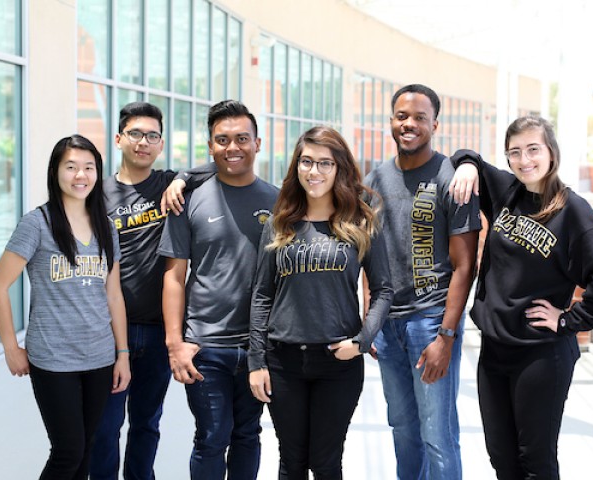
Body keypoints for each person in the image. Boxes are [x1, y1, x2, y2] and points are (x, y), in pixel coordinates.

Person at [449, 115, 593, 479]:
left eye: (533, 149)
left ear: (551, 152)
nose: (524, 159)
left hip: (541, 353)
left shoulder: (573, 211)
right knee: (502, 458)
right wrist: (468, 164)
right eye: (514, 152)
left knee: (536, 462)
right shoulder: (508, 190)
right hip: (495, 349)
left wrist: (567, 320)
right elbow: (466, 157)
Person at [248, 126, 393, 479]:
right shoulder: (280, 222)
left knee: (326, 464)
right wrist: (256, 360)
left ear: (340, 168)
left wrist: (361, 342)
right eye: (307, 162)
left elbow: (384, 290)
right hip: (283, 362)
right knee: (291, 462)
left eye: (325, 163)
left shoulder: (360, 221)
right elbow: (262, 293)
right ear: (296, 166)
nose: (314, 172)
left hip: (337, 363)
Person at [0, 134, 131, 480]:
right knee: (68, 451)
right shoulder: (37, 224)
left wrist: (122, 353)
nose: (80, 175)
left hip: (99, 357)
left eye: (88, 167)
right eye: (71, 167)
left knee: (87, 448)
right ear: (55, 172)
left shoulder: (106, 227)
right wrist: (10, 348)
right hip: (53, 358)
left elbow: (113, 295)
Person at [90, 102, 215, 480]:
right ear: (119, 139)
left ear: (160, 144)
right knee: (105, 429)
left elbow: (223, 165)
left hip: (159, 329)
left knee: (147, 423)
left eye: (152, 136)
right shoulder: (98, 193)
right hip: (110, 331)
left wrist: (182, 179)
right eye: (135, 134)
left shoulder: (167, 184)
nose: (143, 142)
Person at [363, 84, 481, 480]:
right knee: (403, 431)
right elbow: (368, 255)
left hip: (431, 321)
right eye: (401, 116)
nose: (409, 124)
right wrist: (371, 320)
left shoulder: (453, 178)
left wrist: (446, 336)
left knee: (437, 434)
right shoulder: (374, 180)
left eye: (419, 117)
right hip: (388, 323)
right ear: (391, 122)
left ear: (435, 123)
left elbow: (466, 266)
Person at [158, 99, 279, 480]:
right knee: (212, 438)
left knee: (248, 435)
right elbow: (174, 277)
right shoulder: (188, 200)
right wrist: (175, 344)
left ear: (258, 143)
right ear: (210, 147)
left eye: (242, 138)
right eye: (222, 140)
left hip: (260, 345)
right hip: (205, 346)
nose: (233, 147)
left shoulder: (279, 202)